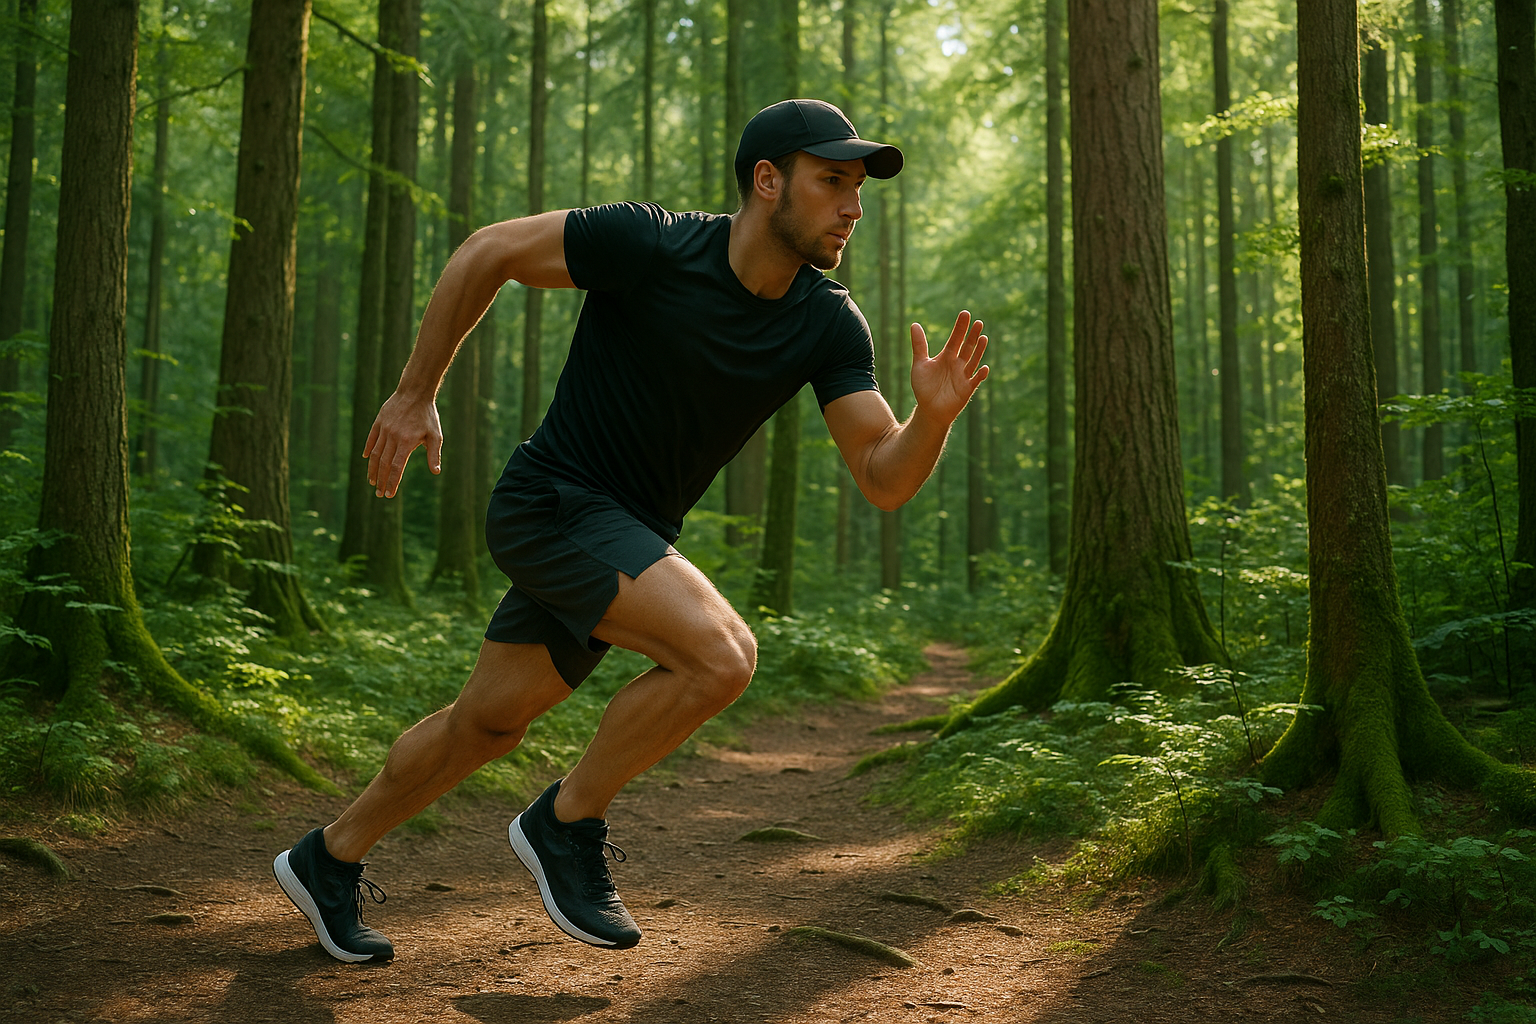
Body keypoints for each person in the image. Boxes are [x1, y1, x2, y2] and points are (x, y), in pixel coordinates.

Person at [272, 98, 989, 964]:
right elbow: (488, 252)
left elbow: (882, 475)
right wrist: (415, 391)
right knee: (721, 655)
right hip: (552, 504)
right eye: (833, 181)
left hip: (625, 533)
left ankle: (327, 858)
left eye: (859, 189)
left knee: (488, 723)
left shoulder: (826, 321)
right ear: (768, 181)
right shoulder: (649, 243)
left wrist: (933, 420)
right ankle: (565, 822)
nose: (853, 206)